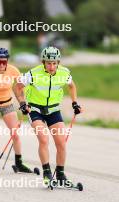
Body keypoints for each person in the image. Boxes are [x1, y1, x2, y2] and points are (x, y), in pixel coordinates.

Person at [13, 46, 82, 185]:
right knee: (44, 140)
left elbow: (72, 86)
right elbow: (17, 87)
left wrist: (75, 102)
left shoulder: (64, 73)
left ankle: (61, 175)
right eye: (48, 63)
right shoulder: (34, 73)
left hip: (54, 110)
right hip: (35, 110)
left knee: (61, 142)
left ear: (58, 63)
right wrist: (22, 103)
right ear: (43, 62)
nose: (51, 66)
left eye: (54, 63)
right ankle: (47, 172)